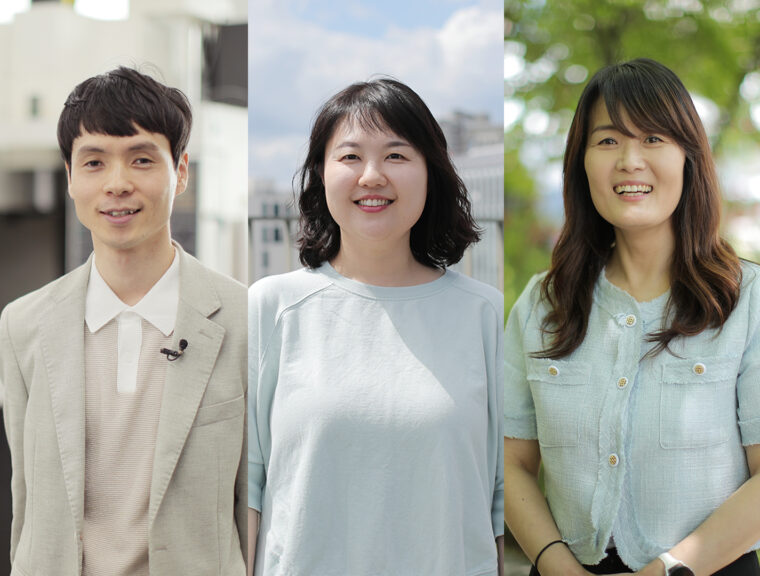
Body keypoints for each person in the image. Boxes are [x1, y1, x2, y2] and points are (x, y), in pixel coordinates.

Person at [503, 58, 760, 576]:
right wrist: (557, 566)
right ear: (581, 163)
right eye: (607, 141)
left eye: (653, 139)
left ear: (689, 158)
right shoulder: (540, 304)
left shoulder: (747, 301)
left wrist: (669, 569)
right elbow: (509, 465)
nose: (629, 161)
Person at [246, 78, 504, 575]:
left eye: (396, 156)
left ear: (432, 173)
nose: (371, 176)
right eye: (349, 157)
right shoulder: (272, 306)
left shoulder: (484, 314)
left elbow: (498, 498)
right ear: (320, 174)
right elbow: (248, 490)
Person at [0, 66, 248, 576]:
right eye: (93, 162)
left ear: (180, 172)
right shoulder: (22, 324)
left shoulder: (246, 319)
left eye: (141, 159)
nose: (117, 184)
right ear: (69, 177)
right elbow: (24, 502)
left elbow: (255, 502)